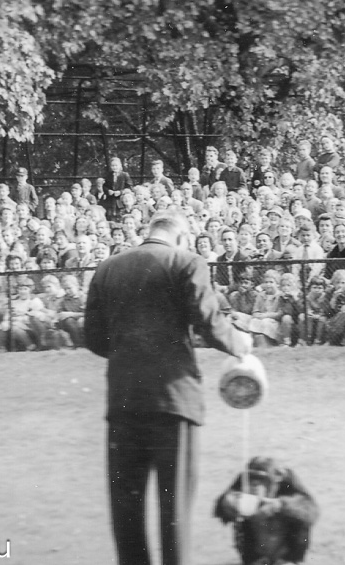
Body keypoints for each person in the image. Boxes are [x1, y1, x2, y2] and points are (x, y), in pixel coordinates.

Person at [84, 210, 252, 565]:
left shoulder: (107, 268)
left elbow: (95, 339)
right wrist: (239, 344)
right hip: (175, 400)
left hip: (124, 399)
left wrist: (131, 351)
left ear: (150, 231)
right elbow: (208, 321)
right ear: (182, 236)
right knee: (173, 508)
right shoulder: (187, 261)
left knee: (126, 509)